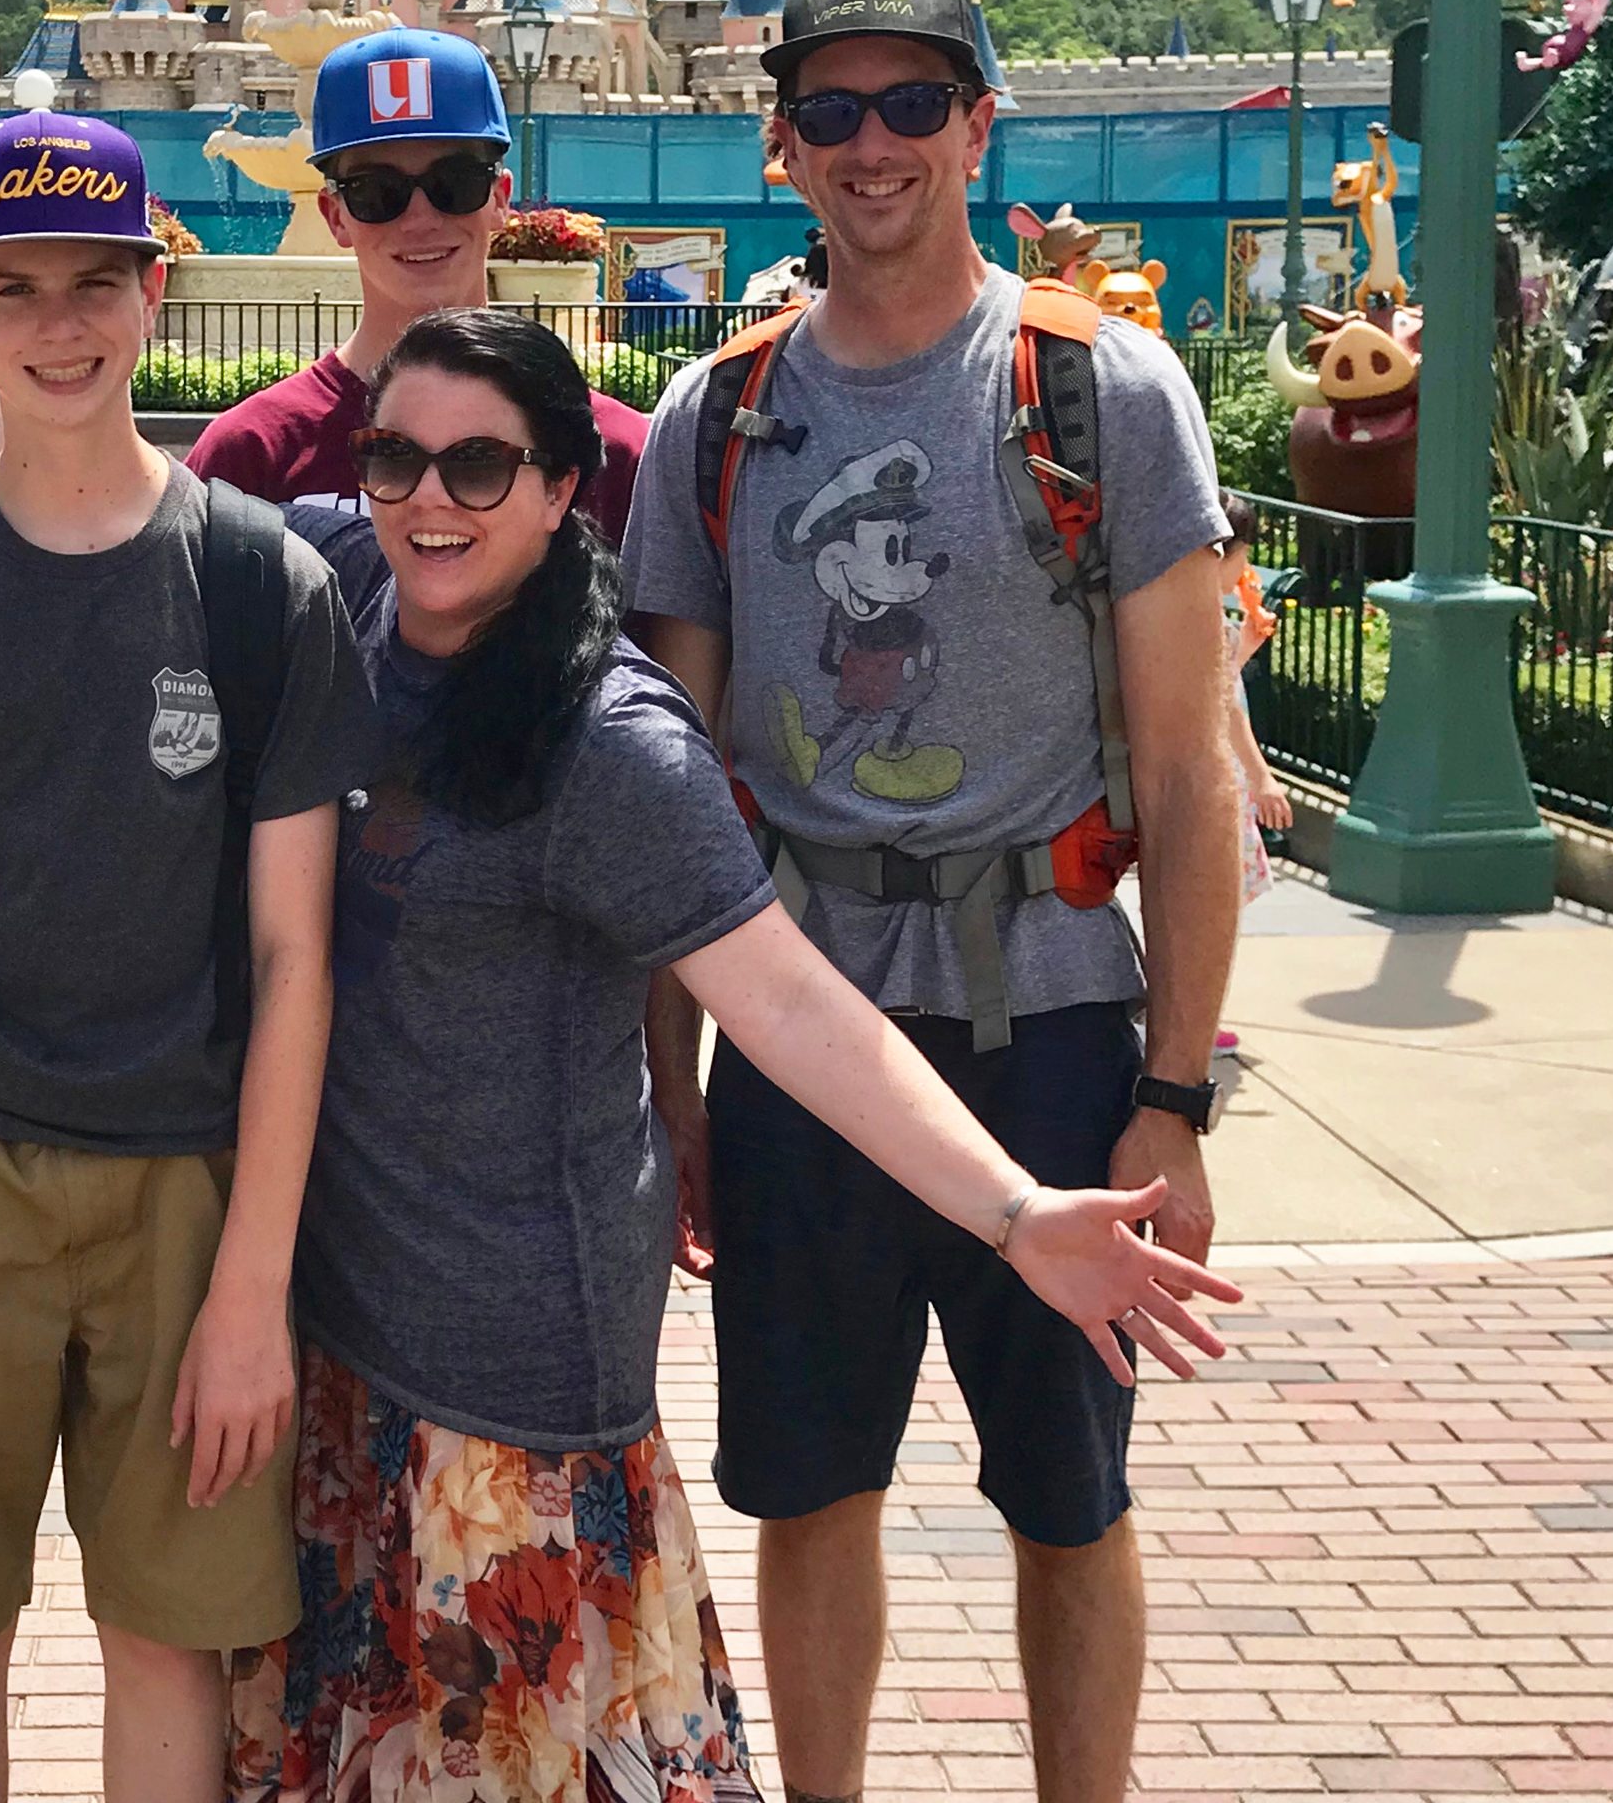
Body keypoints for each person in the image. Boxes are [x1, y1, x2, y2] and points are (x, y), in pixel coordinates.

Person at [232, 306, 1238, 1803]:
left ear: (568, 487)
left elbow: (789, 1000)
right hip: (351, 1346)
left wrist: (1020, 1209)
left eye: (481, 466)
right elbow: (102, 481)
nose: (431, 495)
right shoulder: (366, 586)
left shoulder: (610, 744)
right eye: (396, 458)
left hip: (508, 1395)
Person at [622, 0, 1241, 1803]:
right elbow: (673, 794)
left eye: (912, 104)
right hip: (806, 1042)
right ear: (782, 146)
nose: (872, 144)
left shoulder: (1100, 391)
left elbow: (1194, 772)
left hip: (1048, 1019)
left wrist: (1176, 1097)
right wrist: (679, 1093)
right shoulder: (713, 420)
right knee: (812, 1489)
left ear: (980, 124)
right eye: (832, 109)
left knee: (1069, 1493)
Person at [0, 110, 379, 1803]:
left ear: (155, 292)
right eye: (16, 288)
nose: (59, 326)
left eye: (95, 283)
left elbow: (293, 963)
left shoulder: (261, 591)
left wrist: (254, 1285)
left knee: (167, 1640)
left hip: (182, 1192)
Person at [0, 27, 652, 542]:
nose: (418, 219)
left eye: (449, 185)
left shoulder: (619, 451)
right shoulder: (259, 452)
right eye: (376, 190)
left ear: (498, 198)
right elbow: (77, 470)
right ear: (333, 216)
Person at [1215, 494, 1292, 1049]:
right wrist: (1262, 776)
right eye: (1243, 555)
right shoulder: (1202, 620)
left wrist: (1243, 644)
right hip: (1221, 780)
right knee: (1214, 902)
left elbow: (1221, 683)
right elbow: (1224, 704)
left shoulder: (1207, 620)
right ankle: (1197, 1016)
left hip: (1217, 775)